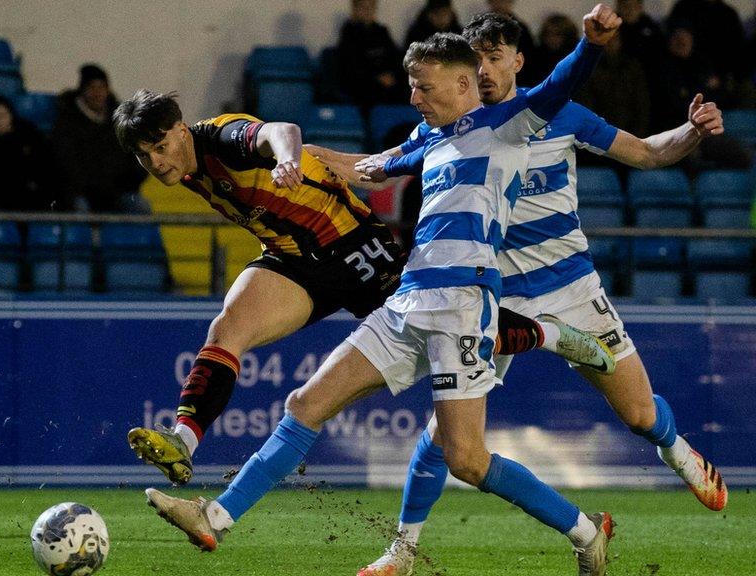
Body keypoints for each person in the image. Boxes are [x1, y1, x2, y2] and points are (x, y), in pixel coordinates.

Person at [143, 5, 622, 575]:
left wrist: (590, 45)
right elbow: (371, 167)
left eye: (424, 86)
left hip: (464, 307)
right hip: (408, 300)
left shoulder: (511, 122)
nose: (414, 96)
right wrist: (304, 157)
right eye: (413, 85)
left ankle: (584, 529)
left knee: (466, 460)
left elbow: (558, 86)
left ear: (464, 82)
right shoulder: (429, 137)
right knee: (305, 403)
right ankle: (213, 518)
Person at [349, 12, 728, 576]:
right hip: (493, 297)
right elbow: (375, 170)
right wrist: (291, 156)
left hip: (572, 287)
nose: (483, 71)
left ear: (518, 61)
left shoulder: (554, 114)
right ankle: (402, 550)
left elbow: (647, 153)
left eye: (494, 58)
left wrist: (693, 131)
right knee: (444, 433)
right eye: (473, 61)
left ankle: (677, 451)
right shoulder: (444, 128)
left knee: (640, 413)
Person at [115, 91, 614, 487]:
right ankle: (182, 442)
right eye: (143, 156)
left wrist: (287, 158)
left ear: (181, 130)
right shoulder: (187, 168)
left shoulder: (218, 137)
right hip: (293, 261)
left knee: (458, 328)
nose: (156, 163)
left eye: (161, 147)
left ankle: (550, 335)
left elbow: (279, 131)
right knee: (227, 329)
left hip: (355, 247)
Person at [52, 64, 146, 213]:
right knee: (80, 209)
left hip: (117, 192)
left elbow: (138, 155)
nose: (97, 93)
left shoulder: (121, 121)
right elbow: (66, 163)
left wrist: (127, 183)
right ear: (82, 91)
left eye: (101, 87)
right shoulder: (67, 122)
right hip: (81, 194)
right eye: (92, 88)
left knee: (139, 206)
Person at [0, 95, 54, 211]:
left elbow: (42, 165)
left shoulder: (28, 134)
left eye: (2, 115)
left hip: (29, 196)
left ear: (11, 115)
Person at [335, 0, 407, 110]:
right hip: (363, 85)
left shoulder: (382, 32)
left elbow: (395, 58)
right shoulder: (348, 34)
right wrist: (377, 78)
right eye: (363, 7)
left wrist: (392, 75)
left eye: (371, 8)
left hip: (387, 82)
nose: (367, 11)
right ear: (355, 9)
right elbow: (350, 67)